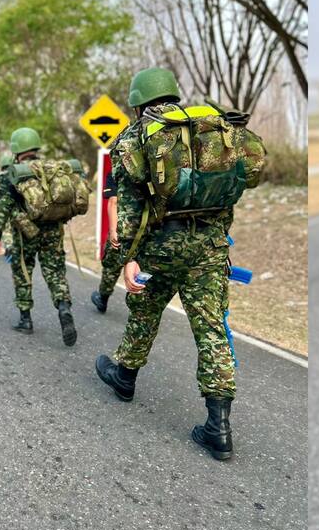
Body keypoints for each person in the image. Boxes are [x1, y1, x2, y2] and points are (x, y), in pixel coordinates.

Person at [95, 67, 265, 461]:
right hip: (209, 247)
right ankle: (218, 427)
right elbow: (251, 173)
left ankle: (124, 376)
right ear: (173, 95)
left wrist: (128, 259)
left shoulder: (136, 137)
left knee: (144, 311)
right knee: (211, 329)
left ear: (137, 104)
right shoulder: (211, 126)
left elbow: (131, 210)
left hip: (160, 247)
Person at [0, 128, 78, 346]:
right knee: (55, 272)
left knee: (23, 272)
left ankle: (25, 319)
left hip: (24, 233)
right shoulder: (52, 168)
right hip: (53, 230)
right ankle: (63, 307)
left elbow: (3, 206)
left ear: (16, 150)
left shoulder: (15, 172)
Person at [91, 126, 133, 313]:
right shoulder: (152, 169)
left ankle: (103, 298)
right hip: (147, 227)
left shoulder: (117, 171)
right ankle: (137, 303)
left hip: (124, 226)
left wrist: (114, 231)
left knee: (111, 265)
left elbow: (113, 202)